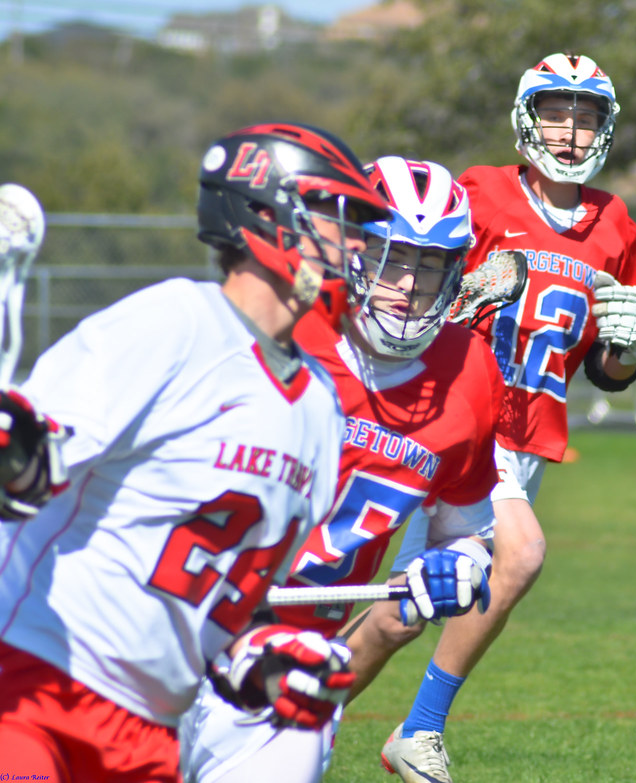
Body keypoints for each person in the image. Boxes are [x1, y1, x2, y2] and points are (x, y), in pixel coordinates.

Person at [0, 122, 394, 782]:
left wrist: (263, 662)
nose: (355, 242)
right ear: (265, 212)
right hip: (35, 682)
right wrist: (17, 454)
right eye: (336, 215)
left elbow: (229, 596)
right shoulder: (175, 324)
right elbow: (33, 464)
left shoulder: (320, 409)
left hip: (152, 735)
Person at [341, 52, 636, 783]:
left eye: (586, 117)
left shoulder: (617, 227)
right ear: (526, 117)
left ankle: (286, 718)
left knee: (400, 614)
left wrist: (633, 346)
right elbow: (412, 297)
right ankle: (416, 729)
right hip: (458, 423)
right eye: (557, 112)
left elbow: (606, 372)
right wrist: (469, 296)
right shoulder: (479, 195)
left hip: (527, 440)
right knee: (518, 555)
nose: (571, 131)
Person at [178, 155, 503, 783]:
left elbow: (468, 531)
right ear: (354, 251)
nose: (409, 285)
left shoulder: (470, 373)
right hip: (181, 631)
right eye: (393, 259)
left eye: (431, 266)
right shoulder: (282, 330)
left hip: (294, 665)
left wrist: (461, 565)